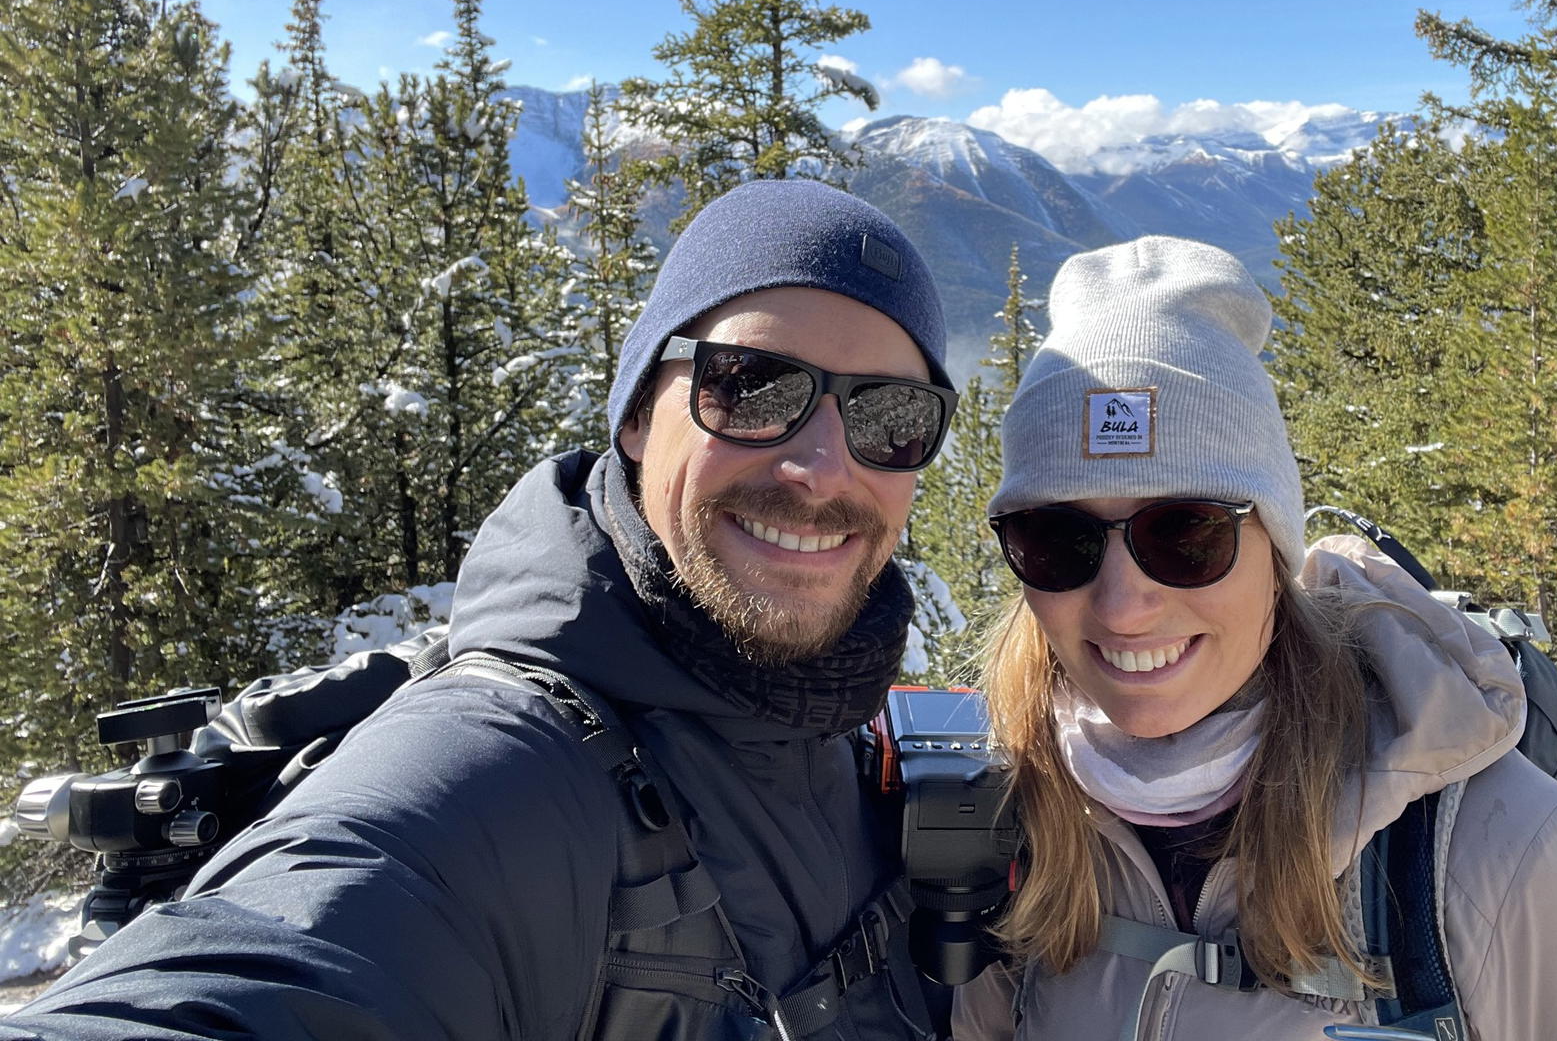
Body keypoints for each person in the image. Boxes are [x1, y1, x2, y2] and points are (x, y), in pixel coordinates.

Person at [8, 179, 960, 1041]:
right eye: (753, 389)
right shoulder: (500, 770)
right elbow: (285, 953)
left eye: (891, 419)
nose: (823, 468)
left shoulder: (843, 736)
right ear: (636, 414)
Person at [954, 236, 1557, 1041]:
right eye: (1056, 539)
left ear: (1277, 554)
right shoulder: (1008, 838)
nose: (1124, 607)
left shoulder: (1511, 860)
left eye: (1186, 535)